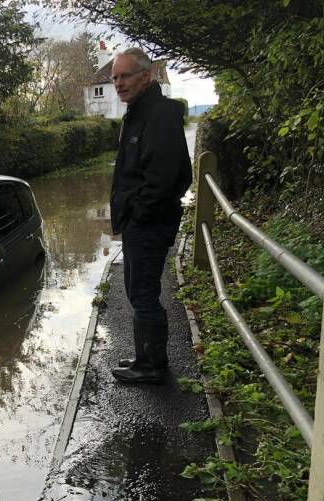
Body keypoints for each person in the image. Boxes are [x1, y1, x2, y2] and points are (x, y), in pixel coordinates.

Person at [109, 47, 192, 384]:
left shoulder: (158, 115)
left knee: (143, 293)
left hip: (149, 224)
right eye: (115, 77)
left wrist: (138, 215)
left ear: (146, 75)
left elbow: (166, 177)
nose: (118, 83)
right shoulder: (140, 112)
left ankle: (153, 367)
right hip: (140, 223)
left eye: (124, 75)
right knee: (138, 291)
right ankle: (146, 355)